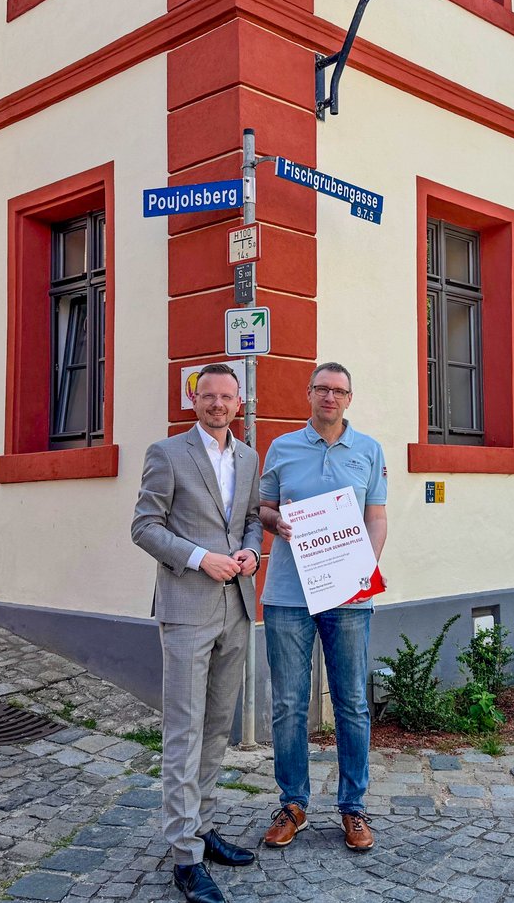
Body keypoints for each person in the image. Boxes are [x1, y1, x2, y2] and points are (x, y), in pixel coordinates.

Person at [131, 364, 263, 903]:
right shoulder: (167, 454)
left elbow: (252, 517)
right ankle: (184, 854)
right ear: (194, 400)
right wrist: (198, 558)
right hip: (187, 608)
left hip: (235, 608)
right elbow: (144, 527)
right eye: (207, 395)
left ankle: (203, 828)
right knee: (184, 731)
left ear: (238, 402)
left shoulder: (249, 456)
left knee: (216, 727)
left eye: (226, 396)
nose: (217, 404)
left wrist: (252, 552)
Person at [258, 361, 388, 852]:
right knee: (289, 704)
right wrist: (279, 523)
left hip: (349, 594)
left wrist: (366, 569)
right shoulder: (282, 448)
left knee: (352, 703)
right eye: (322, 389)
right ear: (308, 394)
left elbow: (376, 519)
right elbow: (264, 508)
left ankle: (353, 807)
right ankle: (293, 804)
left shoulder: (369, 451)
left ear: (349, 399)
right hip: (289, 592)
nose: (330, 397)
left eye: (339, 390)